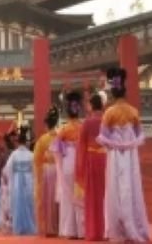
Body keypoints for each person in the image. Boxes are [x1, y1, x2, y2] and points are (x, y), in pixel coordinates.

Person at [96, 67, 150, 242]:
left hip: (115, 155)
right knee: (132, 188)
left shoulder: (109, 113)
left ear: (112, 93)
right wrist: (129, 144)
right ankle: (134, 226)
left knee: (116, 190)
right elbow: (140, 135)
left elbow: (102, 137)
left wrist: (117, 144)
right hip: (130, 156)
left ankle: (118, 228)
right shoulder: (133, 111)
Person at [52, 92, 84, 239]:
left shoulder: (63, 130)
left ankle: (70, 230)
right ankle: (82, 230)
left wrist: (65, 151)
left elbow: (55, 149)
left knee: (68, 196)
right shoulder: (83, 127)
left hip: (68, 163)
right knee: (81, 195)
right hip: (81, 162)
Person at [77, 91, 107, 241]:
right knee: (106, 195)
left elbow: (81, 146)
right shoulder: (107, 120)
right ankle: (107, 230)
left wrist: (80, 166)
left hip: (91, 160)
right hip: (106, 160)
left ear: (91, 106)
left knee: (93, 196)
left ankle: (94, 231)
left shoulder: (87, 123)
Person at [4, 126, 36, 235]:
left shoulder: (14, 154)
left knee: (17, 202)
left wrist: (13, 177)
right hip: (28, 179)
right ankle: (29, 226)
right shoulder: (31, 154)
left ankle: (18, 226)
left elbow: (8, 169)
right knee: (29, 202)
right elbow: (35, 169)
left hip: (17, 180)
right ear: (26, 142)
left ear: (18, 142)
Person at [33, 107, 59, 237]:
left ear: (46, 124)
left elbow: (36, 159)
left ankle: (49, 227)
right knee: (57, 199)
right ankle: (59, 226)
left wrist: (38, 174)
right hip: (59, 170)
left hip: (47, 170)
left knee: (47, 199)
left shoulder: (42, 140)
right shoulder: (61, 137)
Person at [0, 131, 16, 233]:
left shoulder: (12, 153)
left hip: (11, 182)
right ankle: (8, 223)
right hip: (8, 182)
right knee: (7, 204)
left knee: (9, 203)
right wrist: (2, 181)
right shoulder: (5, 155)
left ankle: (10, 223)